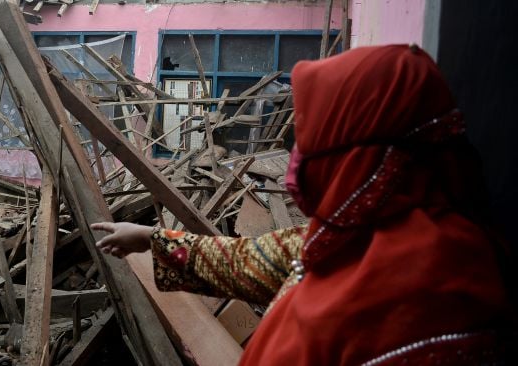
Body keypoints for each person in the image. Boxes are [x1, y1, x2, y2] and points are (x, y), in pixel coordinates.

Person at [91, 45, 514, 365]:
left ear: (357, 153)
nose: (296, 163)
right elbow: (246, 261)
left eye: (311, 142)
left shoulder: (440, 291)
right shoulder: (344, 241)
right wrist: (150, 239)